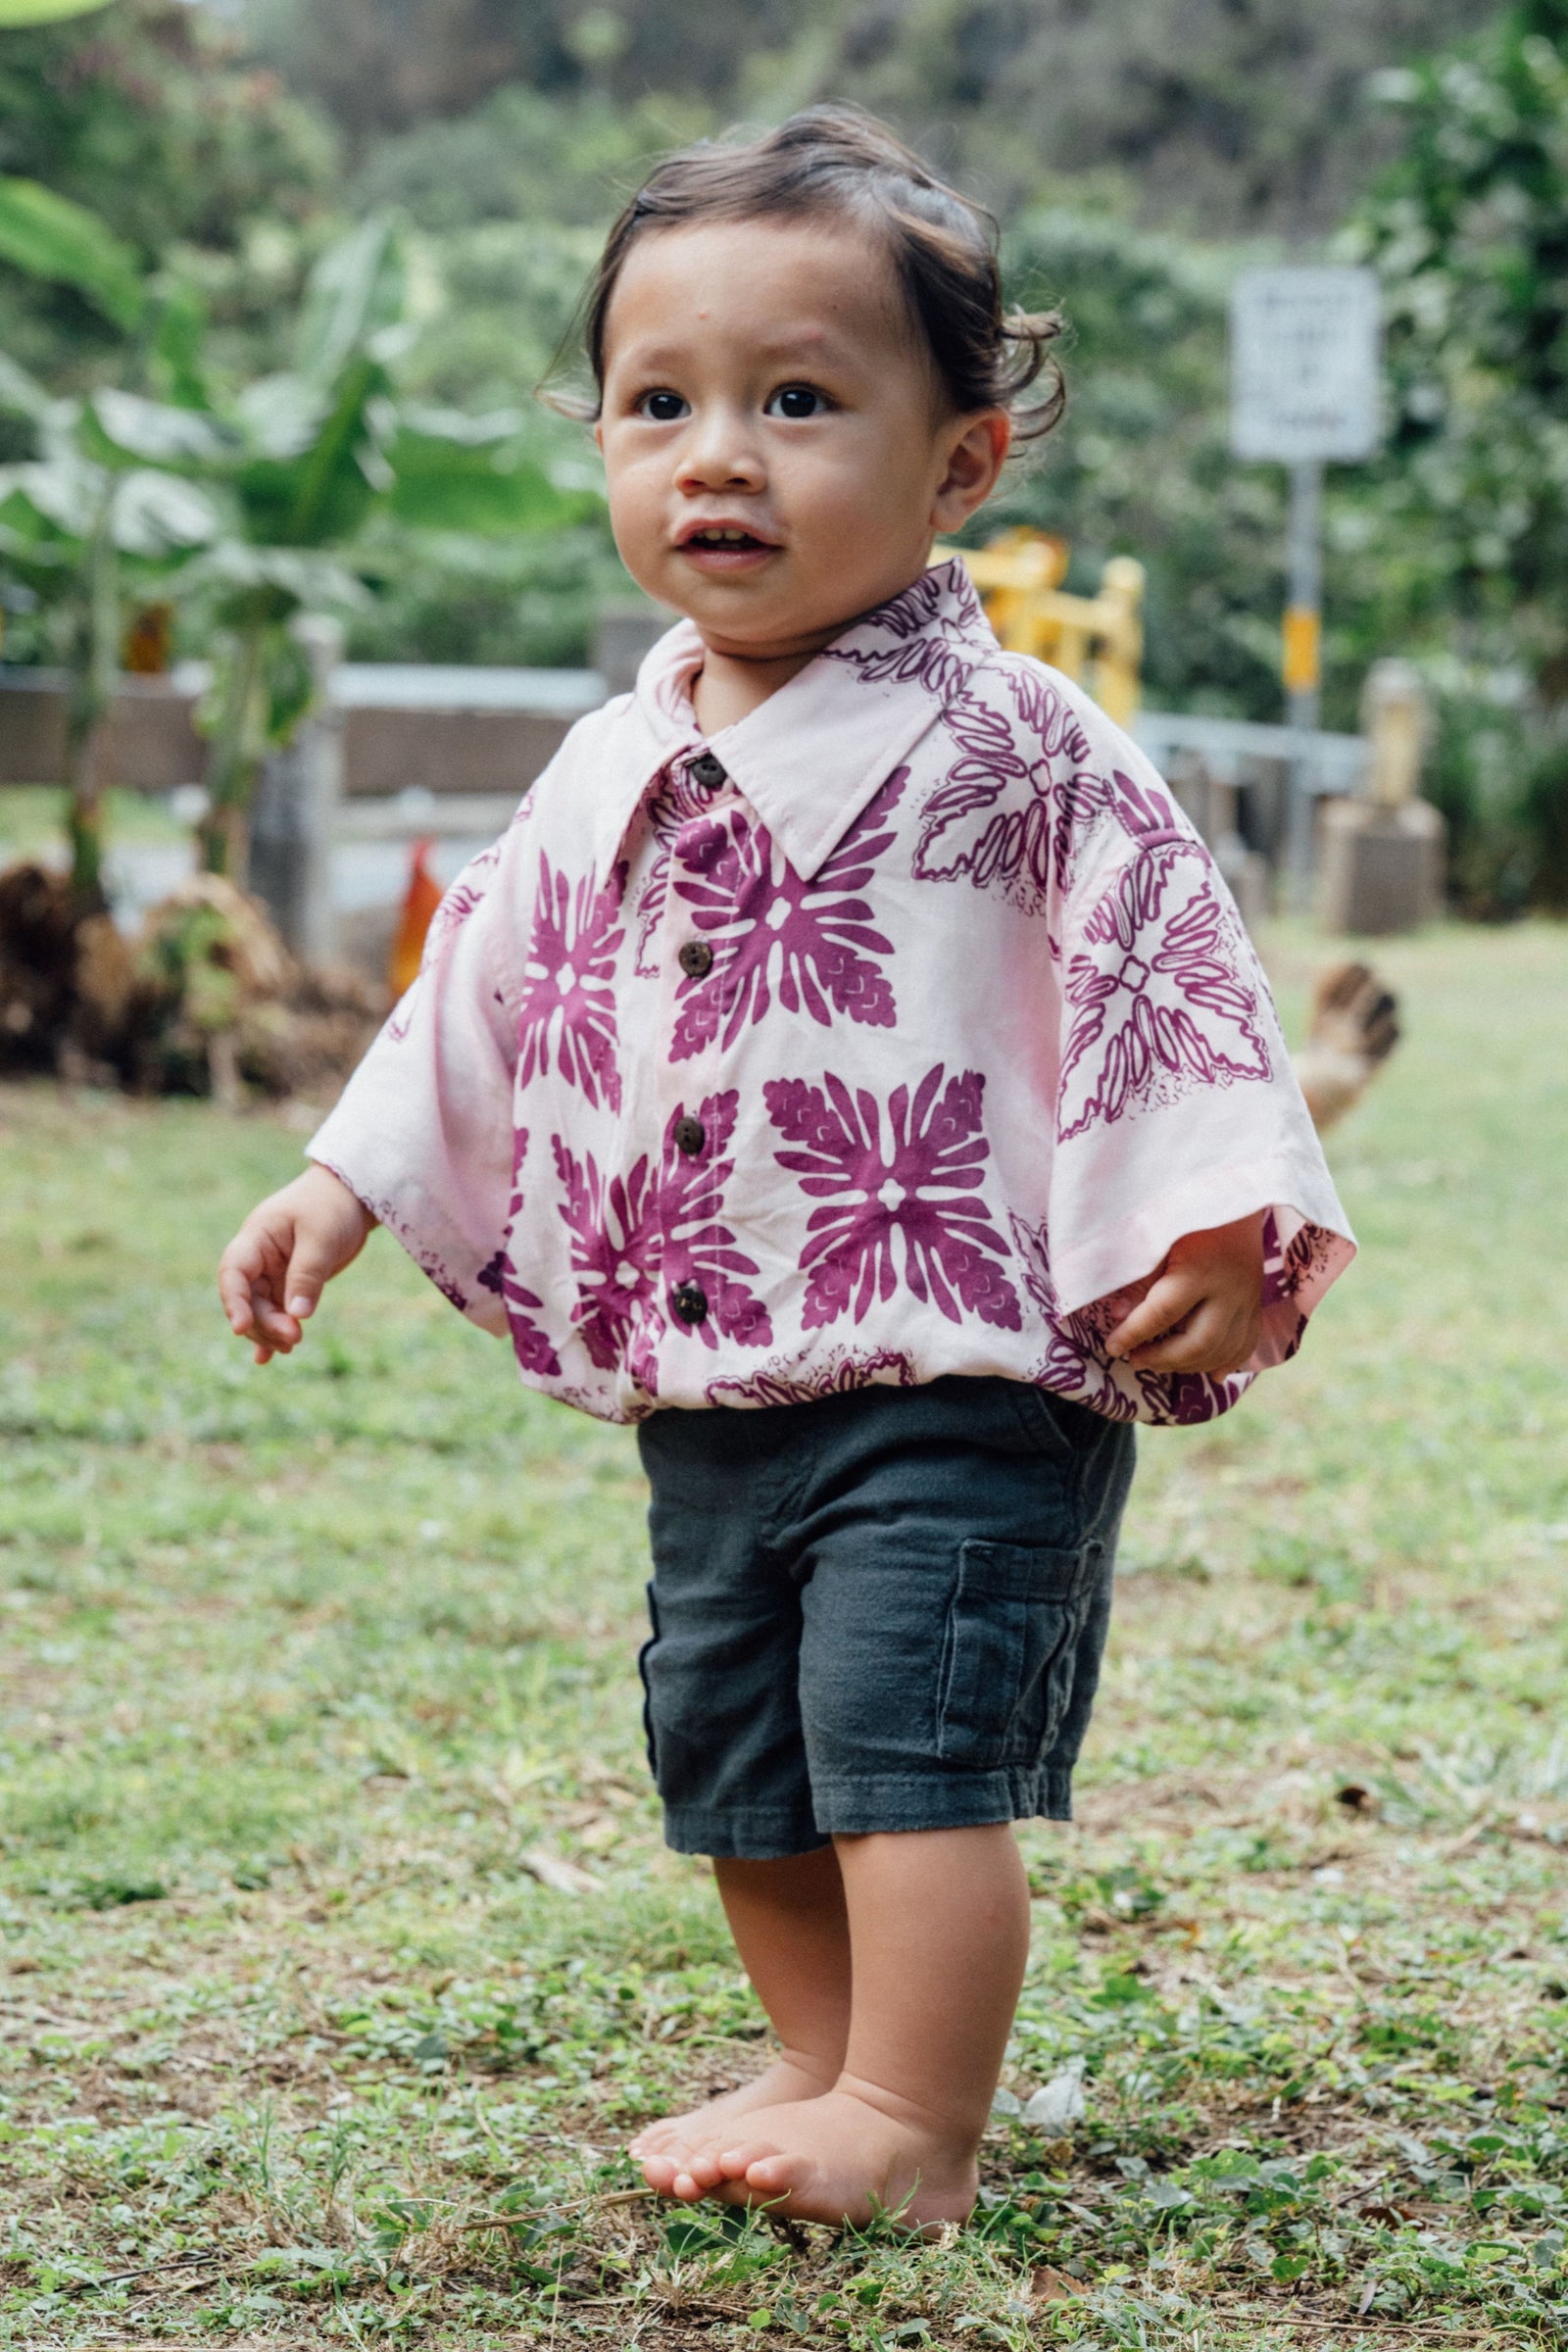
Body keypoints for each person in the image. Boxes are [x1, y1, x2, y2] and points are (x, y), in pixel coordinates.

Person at [217, 107, 1353, 2232]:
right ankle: (821, 2059)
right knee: (738, 1759)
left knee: (906, 1750)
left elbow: (1166, 971)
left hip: (961, 1369)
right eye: (660, 403)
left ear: (957, 469)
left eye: (798, 400)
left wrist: (1222, 1218)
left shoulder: (1018, 747)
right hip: (715, 1371)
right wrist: (341, 1184)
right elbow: (474, 992)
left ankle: (912, 2117)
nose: (715, 455)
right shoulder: (605, 761)